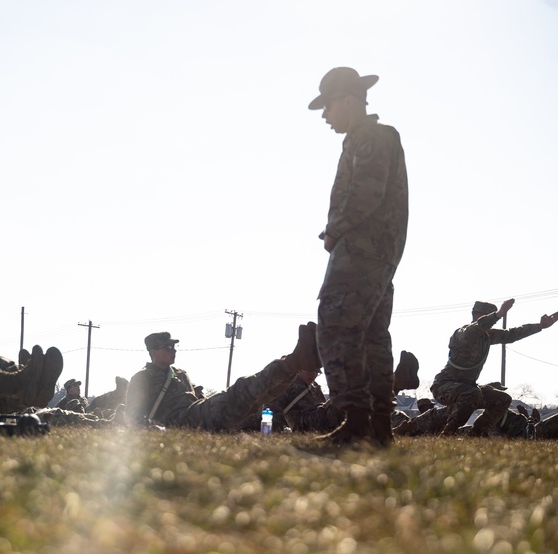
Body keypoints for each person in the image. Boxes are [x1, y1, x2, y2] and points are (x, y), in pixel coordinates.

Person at [308, 66, 409, 447]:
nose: (325, 115)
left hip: (362, 248)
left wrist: (335, 230)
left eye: (328, 106)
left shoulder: (368, 137)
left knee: (337, 323)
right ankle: (378, 427)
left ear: (348, 101)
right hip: (380, 251)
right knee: (371, 336)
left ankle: (356, 421)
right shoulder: (374, 137)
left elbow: (367, 191)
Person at [122, 325, 320, 431]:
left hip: (197, 415)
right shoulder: (142, 378)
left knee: (257, 402)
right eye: (168, 347)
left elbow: (196, 400)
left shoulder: (180, 373)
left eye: (174, 347)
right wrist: (157, 431)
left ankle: (295, 364)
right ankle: (293, 362)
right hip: (180, 423)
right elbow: (133, 417)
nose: (173, 351)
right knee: (241, 390)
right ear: (153, 351)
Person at [431, 299, 558, 436]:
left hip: (469, 389)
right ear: (477, 316)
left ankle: (475, 434)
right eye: (489, 317)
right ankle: (447, 434)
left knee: (503, 399)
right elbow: (477, 327)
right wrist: (498, 315)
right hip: (444, 387)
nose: (492, 323)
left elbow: (511, 334)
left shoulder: (487, 336)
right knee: (472, 393)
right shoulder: (463, 334)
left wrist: (540, 326)